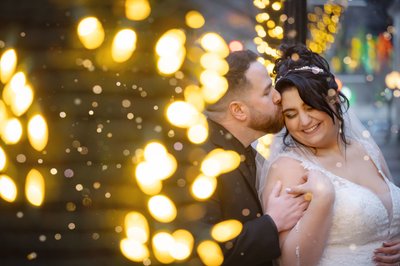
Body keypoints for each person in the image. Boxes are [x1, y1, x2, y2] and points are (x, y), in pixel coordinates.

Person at [258, 44, 400, 266]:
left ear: (332, 99)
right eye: (291, 114)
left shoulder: (367, 150)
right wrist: (323, 198)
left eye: (310, 107)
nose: (304, 122)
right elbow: (289, 262)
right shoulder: (288, 168)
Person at [199, 50, 308, 266]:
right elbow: (206, 251)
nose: (279, 97)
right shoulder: (202, 162)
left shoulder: (250, 153)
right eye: (267, 93)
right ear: (239, 110)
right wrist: (272, 223)